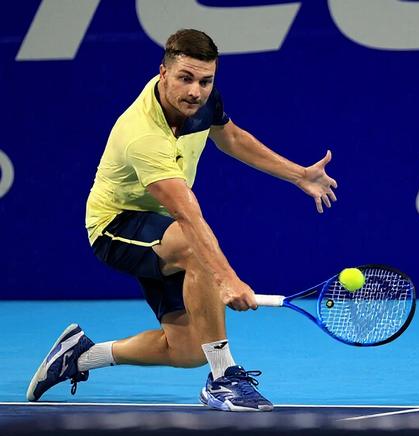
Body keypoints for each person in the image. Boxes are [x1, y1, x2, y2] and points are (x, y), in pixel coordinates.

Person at [26, 29, 337, 412]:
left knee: (190, 348)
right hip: (116, 227)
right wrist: (226, 279)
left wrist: (299, 174)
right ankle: (223, 378)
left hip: (162, 229)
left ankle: (81, 356)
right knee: (196, 249)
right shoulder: (142, 135)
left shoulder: (202, 103)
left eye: (205, 81)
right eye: (185, 79)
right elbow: (186, 215)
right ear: (163, 73)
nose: (195, 91)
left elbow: (233, 139)